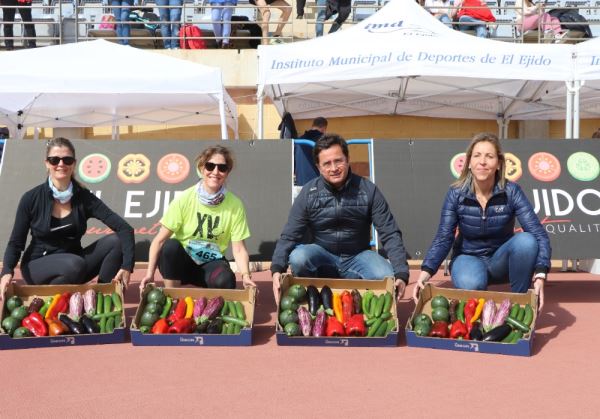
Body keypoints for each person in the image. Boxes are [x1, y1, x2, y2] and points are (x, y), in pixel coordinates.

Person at [412, 133, 551, 311]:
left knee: (527, 241)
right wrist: (424, 274)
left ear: (499, 163)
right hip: (468, 258)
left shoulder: (512, 191)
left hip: (501, 262)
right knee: (472, 284)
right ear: (469, 162)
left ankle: (520, 305)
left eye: (489, 156)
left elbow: (538, 234)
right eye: (477, 156)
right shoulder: (456, 193)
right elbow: (443, 237)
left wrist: (540, 275)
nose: (482, 162)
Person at [271, 134, 410, 304]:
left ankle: (359, 297)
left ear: (348, 159)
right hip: (322, 256)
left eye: (338, 161)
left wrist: (401, 273)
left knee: (385, 275)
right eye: (327, 164)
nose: (334, 168)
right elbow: (289, 235)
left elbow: (390, 233)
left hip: (358, 256)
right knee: (298, 257)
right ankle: (312, 296)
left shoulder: (368, 190)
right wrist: (277, 269)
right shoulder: (308, 193)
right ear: (318, 167)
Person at [0, 137, 134, 296]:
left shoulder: (84, 197)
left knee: (116, 242)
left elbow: (125, 229)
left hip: (74, 265)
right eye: (54, 160)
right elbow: (16, 243)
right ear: (47, 164)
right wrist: (6, 272)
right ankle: (52, 298)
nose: (61, 164)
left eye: (67, 160)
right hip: (38, 266)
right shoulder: (31, 198)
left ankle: (102, 297)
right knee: (75, 264)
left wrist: (127, 266)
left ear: (74, 164)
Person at [139, 145, 256, 291]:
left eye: (222, 168)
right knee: (170, 246)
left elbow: (238, 249)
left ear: (227, 173)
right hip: (180, 266)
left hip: (210, 265)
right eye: (210, 166)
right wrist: (149, 274)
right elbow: (159, 241)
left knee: (226, 280)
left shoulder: (235, 205)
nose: (215, 172)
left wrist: (246, 276)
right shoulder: (184, 199)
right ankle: (173, 295)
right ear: (202, 169)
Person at [294, 117, 327, 187]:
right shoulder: (323, 140)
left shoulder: (299, 140)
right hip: (315, 184)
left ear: (312, 126)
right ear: (324, 128)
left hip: (300, 182)